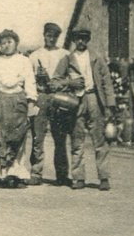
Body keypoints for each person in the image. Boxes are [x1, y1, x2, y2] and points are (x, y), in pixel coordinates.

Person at [48, 27, 116, 190]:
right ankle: (78, 177)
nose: (81, 41)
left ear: (88, 40)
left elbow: (107, 83)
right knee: (77, 139)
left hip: (94, 98)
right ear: (73, 40)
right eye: (78, 38)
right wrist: (69, 83)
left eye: (84, 38)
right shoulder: (67, 59)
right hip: (74, 101)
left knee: (99, 139)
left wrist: (109, 106)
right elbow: (54, 82)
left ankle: (104, 177)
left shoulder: (96, 59)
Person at [0, 29, 37, 189]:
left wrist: (31, 107)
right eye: (3, 43)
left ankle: (15, 175)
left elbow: (30, 84)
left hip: (18, 102)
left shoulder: (24, 61)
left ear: (16, 43)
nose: (6, 45)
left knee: (17, 138)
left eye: (9, 42)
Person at [28, 22, 70, 185]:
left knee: (60, 137)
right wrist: (37, 78)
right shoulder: (34, 55)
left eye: (54, 36)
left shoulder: (65, 54)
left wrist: (61, 84)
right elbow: (29, 79)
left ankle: (61, 174)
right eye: (48, 35)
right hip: (41, 96)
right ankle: (36, 173)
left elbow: (71, 77)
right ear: (44, 35)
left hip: (59, 97)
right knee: (38, 136)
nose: (51, 39)